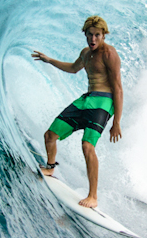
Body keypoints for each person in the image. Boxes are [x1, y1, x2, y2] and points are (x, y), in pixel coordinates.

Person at [32, 15, 123, 209]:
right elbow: (73, 68)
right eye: (89, 35)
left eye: (97, 35)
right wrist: (49, 60)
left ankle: (93, 197)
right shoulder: (86, 54)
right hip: (87, 99)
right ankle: (50, 167)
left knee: (87, 146)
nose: (93, 39)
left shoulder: (109, 54)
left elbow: (118, 88)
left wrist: (116, 122)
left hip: (104, 102)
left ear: (104, 35)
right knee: (50, 135)